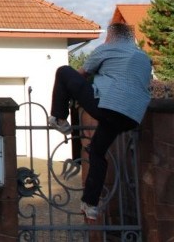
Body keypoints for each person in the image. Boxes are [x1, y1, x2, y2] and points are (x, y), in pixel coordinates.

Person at [47, 22, 152, 221]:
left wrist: (71, 97)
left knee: (63, 72)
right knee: (97, 152)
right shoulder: (143, 57)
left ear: (112, 36)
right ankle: (90, 204)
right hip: (130, 116)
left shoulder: (108, 49)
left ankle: (58, 117)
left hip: (108, 106)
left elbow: (80, 75)